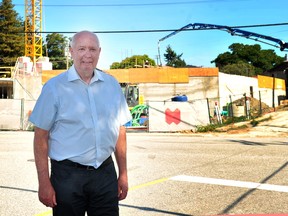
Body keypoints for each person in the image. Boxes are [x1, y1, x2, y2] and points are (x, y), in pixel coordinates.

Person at [29, 30, 132, 216]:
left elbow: (120, 130)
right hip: (68, 177)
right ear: (71, 51)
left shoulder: (112, 85)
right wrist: (43, 182)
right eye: (81, 48)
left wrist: (123, 173)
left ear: (99, 52)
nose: (87, 54)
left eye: (92, 49)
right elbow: (40, 136)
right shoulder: (54, 87)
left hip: (105, 174)